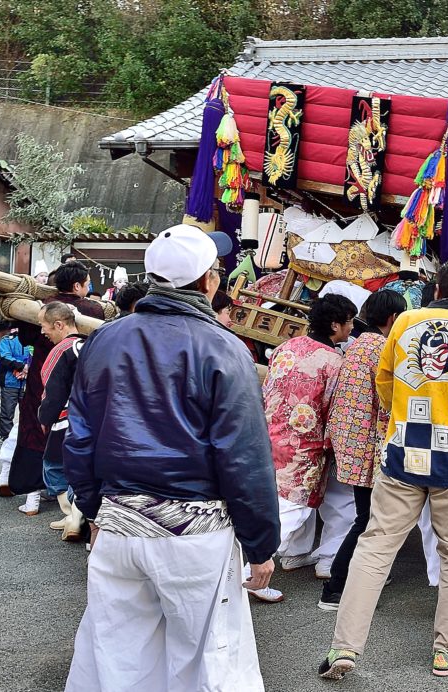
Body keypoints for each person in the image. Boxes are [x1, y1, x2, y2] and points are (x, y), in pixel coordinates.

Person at [63, 224, 279, 691]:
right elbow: (243, 457)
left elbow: (80, 437)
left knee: (115, 657)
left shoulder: (105, 339)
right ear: (208, 281)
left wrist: (95, 509)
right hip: (194, 533)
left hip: (120, 523)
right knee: (206, 662)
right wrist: (261, 544)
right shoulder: (224, 347)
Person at [319, 259, 448, 680]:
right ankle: (447, 652)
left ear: (436, 288)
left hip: (403, 454)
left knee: (375, 546)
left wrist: (404, 415)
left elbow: (385, 384)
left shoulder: (405, 324)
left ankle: (343, 648)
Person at [263, 294, 357, 590]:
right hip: (306, 443)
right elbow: (334, 409)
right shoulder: (335, 362)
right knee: (296, 506)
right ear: (335, 325)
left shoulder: (286, 347)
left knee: (284, 500)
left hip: (272, 433)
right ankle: (252, 570)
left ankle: (294, 553)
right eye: (349, 321)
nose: (352, 327)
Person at [320, 290, 408, 608]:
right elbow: (390, 399)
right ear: (394, 318)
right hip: (367, 443)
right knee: (368, 519)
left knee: (367, 517)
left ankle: (358, 577)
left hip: (350, 439)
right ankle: (336, 587)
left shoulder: (358, 344)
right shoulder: (383, 348)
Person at [7, 261, 102, 503]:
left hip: (42, 378)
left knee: (35, 429)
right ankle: (76, 497)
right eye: (87, 283)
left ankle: (33, 495)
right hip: (80, 383)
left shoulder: (40, 307)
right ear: (77, 285)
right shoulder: (93, 308)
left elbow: (26, 338)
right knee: (78, 433)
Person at [37, 302, 87, 542]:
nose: (42, 332)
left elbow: (53, 390)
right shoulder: (90, 345)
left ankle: (72, 517)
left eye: (43, 325)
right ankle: (78, 516)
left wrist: (44, 417)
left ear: (59, 325)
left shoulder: (62, 350)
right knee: (82, 468)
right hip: (92, 419)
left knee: (54, 466)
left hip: (66, 419)